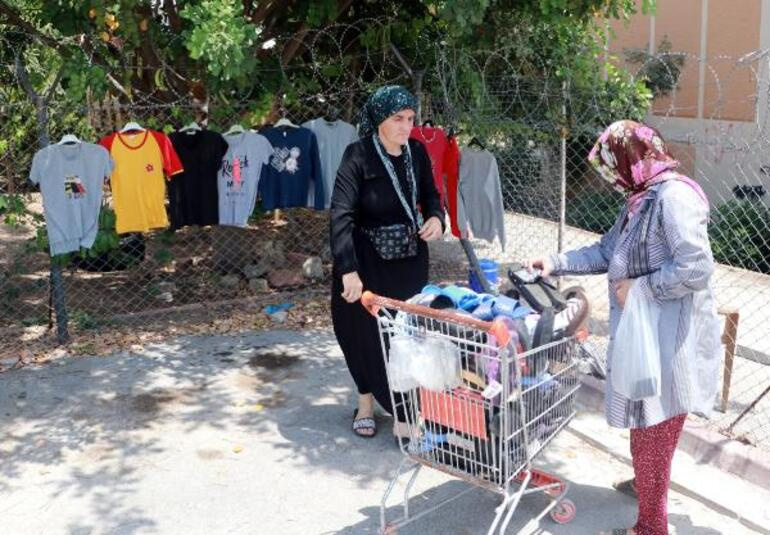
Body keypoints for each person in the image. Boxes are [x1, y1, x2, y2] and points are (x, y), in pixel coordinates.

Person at [526, 120, 721, 535]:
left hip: (669, 341)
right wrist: (555, 262)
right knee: (644, 421)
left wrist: (641, 288)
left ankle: (651, 526)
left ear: (630, 158)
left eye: (612, 165)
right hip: (643, 335)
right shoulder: (640, 198)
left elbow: (697, 267)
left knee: (653, 428)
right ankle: (647, 483)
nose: (611, 177)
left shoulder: (673, 198)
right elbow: (606, 251)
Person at [330, 85, 444, 440]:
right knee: (361, 333)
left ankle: (404, 413)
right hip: (366, 262)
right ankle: (365, 403)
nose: (405, 126)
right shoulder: (358, 155)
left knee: (406, 337)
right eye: (397, 119)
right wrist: (348, 269)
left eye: (410, 119)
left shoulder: (418, 153)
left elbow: (430, 195)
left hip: (409, 260)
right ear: (380, 119)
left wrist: (437, 218)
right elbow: (342, 214)